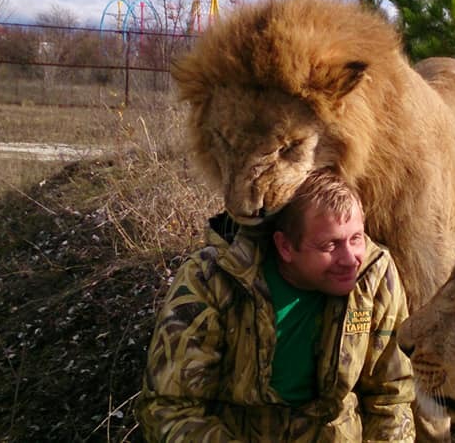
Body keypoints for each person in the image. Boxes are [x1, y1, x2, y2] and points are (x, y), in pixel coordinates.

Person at [136, 170, 415, 441]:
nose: (350, 258)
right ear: (285, 247)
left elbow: (391, 396)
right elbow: (170, 407)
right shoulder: (213, 279)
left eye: (356, 239)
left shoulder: (373, 275)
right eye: (329, 245)